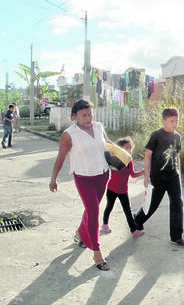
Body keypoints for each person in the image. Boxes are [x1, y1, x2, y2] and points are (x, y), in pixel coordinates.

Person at [49, 99, 111, 271]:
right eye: (84, 115)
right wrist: (53, 178)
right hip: (84, 178)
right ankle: (97, 252)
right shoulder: (69, 134)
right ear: (75, 116)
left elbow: (107, 144)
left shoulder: (98, 127)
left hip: (103, 175)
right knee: (93, 212)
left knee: (91, 209)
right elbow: (60, 157)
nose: (88, 118)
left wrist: (124, 153)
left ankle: (79, 233)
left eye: (90, 114)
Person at [134, 107, 184, 248]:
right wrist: (146, 176)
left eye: (176, 121)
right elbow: (147, 155)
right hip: (158, 177)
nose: (174, 124)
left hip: (173, 176)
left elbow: (177, 155)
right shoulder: (156, 135)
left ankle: (177, 236)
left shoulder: (177, 136)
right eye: (171, 121)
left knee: (177, 203)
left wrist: (179, 173)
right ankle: (137, 220)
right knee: (152, 204)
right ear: (163, 121)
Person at [101, 137, 145, 238]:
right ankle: (105, 224)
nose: (128, 150)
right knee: (109, 207)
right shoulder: (114, 159)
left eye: (130, 148)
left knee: (127, 211)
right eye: (126, 147)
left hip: (123, 190)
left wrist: (141, 172)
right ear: (120, 148)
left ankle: (134, 231)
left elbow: (133, 175)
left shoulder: (129, 161)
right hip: (112, 188)